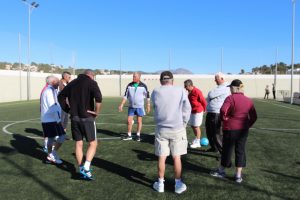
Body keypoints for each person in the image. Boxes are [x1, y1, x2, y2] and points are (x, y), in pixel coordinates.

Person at [151, 71, 191, 194]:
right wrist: (183, 123)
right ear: (172, 80)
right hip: (177, 128)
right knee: (176, 157)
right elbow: (187, 108)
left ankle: (161, 183)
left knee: (161, 157)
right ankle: (178, 184)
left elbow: (155, 107)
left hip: (161, 128)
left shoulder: (156, 91)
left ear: (161, 80)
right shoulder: (181, 90)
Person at [210, 79, 257, 183]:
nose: (230, 89)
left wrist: (225, 119)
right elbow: (254, 116)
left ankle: (221, 171)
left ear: (234, 88)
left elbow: (223, 111)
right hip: (243, 130)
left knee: (227, 150)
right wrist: (247, 125)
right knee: (240, 150)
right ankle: (238, 176)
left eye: (231, 87)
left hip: (231, 129)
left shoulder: (230, 98)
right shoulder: (248, 100)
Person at [58, 69, 102, 180]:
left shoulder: (72, 83)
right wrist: (96, 112)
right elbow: (99, 98)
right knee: (93, 143)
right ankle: (86, 167)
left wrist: (67, 109)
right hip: (87, 117)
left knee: (78, 143)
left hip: (74, 117)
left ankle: (81, 168)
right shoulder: (92, 82)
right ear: (91, 75)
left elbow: (61, 96)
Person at [40, 75, 66, 164]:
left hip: (49, 119)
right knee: (62, 136)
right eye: (58, 81)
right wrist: (58, 120)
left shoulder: (52, 90)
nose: (59, 82)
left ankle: (49, 156)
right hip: (51, 120)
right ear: (53, 82)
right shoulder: (49, 91)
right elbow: (53, 106)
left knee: (51, 139)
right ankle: (52, 154)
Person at [118, 72, 150, 141]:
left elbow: (147, 96)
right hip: (131, 107)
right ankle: (129, 135)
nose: (133, 78)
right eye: (133, 76)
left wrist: (148, 105)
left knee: (139, 121)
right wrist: (122, 104)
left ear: (139, 77)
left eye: (135, 77)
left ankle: (138, 135)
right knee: (129, 121)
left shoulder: (143, 86)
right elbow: (126, 96)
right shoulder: (129, 85)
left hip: (140, 107)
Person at [205, 72, 230, 154]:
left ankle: (224, 153)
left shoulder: (226, 86)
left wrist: (210, 94)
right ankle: (214, 148)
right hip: (210, 112)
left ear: (222, 79)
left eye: (216, 78)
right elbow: (210, 95)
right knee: (209, 133)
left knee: (217, 134)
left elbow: (211, 94)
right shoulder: (219, 87)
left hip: (217, 113)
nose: (215, 80)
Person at [184, 79, 207, 148]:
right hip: (192, 111)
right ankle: (196, 139)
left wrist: (205, 109)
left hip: (198, 111)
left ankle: (198, 142)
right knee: (192, 125)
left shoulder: (197, 91)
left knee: (196, 126)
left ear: (190, 85)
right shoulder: (190, 92)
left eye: (186, 86)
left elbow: (203, 101)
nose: (185, 88)